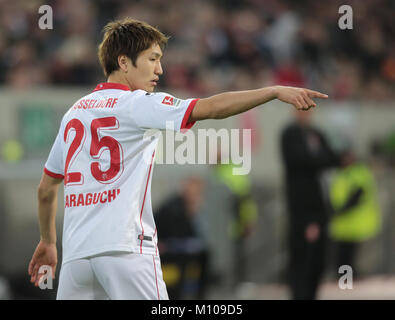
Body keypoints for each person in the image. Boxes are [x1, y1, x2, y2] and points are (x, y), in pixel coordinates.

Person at [28, 17, 328, 300]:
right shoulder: (136, 104)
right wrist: (273, 90)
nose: (159, 70)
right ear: (123, 62)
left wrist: (48, 241)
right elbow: (211, 108)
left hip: (77, 259)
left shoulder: (74, 113)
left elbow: (46, 189)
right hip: (126, 250)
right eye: (152, 58)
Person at [280, 109, 340, 300]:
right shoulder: (290, 134)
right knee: (301, 257)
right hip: (302, 209)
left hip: (319, 208)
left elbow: (332, 158)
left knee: (317, 260)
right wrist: (318, 158)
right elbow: (301, 160)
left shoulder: (316, 134)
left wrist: (318, 158)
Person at [329, 148, 381, 279]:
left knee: (349, 255)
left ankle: (347, 280)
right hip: (342, 224)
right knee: (343, 255)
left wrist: (341, 210)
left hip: (354, 222)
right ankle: (344, 280)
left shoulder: (358, 173)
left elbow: (357, 194)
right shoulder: (341, 173)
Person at [154, 177, 209, 299]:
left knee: (203, 254)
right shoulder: (173, 207)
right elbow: (175, 235)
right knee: (186, 259)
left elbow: (192, 235)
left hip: (174, 248)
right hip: (163, 249)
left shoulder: (186, 207)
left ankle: (200, 294)